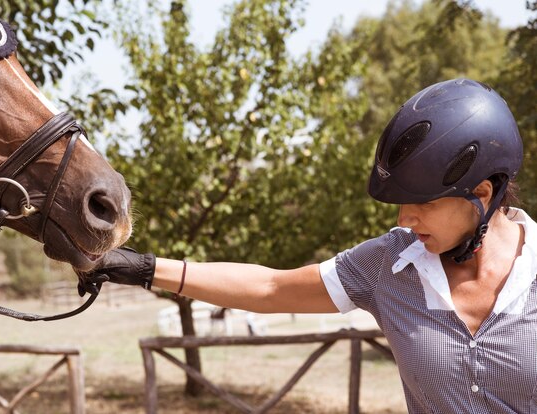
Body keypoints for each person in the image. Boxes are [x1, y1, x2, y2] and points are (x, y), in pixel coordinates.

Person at [77, 78, 533, 413]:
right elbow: (272, 288)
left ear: (483, 194)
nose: (403, 219)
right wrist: (142, 268)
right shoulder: (388, 267)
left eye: (422, 204)